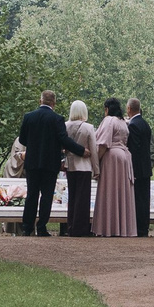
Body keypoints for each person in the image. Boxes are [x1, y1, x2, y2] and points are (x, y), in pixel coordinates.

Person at [17, 90, 69, 237]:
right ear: (54, 103)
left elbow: (22, 140)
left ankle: (27, 227)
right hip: (50, 163)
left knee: (31, 195)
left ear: (40, 101)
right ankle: (42, 227)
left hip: (32, 162)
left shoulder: (29, 117)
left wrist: (33, 145)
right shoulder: (57, 119)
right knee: (46, 196)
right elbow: (63, 140)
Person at [93, 98, 137, 236]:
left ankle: (108, 227)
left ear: (107, 109)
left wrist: (96, 162)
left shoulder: (109, 120)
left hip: (112, 157)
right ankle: (122, 228)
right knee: (121, 192)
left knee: (109, 191)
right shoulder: (123, 122)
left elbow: (104, 143)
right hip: (124, 158)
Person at [62, 99, 96, 236]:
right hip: (84, 166)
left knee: (72, 198)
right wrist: (97, 170)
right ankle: (80, 228)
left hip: (69, 165)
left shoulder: (65, 126)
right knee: (83, 199)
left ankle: (71, 226)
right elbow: (93, 149)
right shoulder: (89, 127)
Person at [125, 98, 154, 232]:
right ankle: (144, 227)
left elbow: (134, 149)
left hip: (137, 168)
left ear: (129, 109)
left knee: (137, 199)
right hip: (146, 167)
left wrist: (132, 169)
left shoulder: (133, 125)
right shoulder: (144, 123)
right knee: (144, 198)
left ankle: (138, 227)